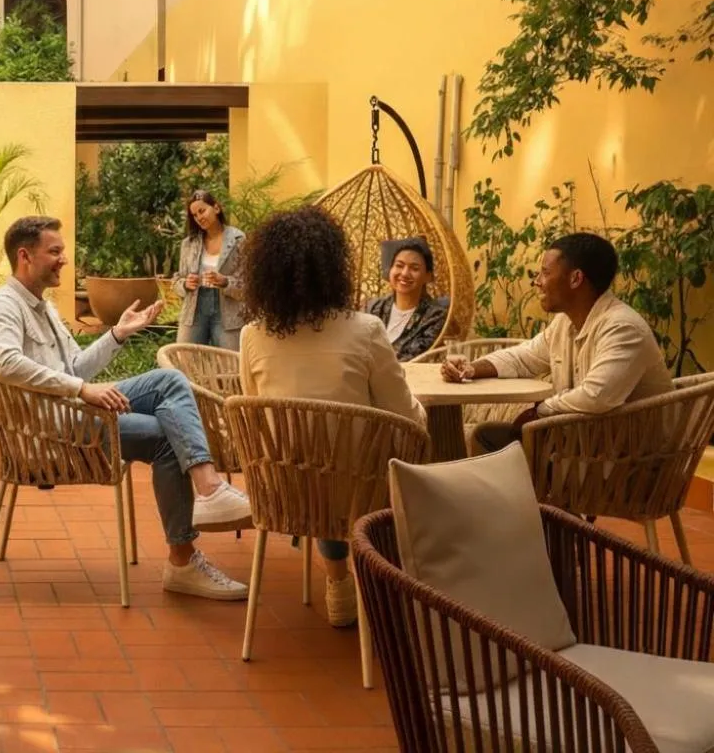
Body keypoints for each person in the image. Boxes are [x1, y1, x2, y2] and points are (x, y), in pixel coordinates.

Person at [0, 215, 253, 600]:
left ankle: (208, 490)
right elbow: (7, 365)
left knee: (169, 381)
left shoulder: (44, 308)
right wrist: (81, 389)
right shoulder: (3, 307)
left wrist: (118, 334)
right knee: (166, 439)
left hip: (74, 408)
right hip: (54, 426)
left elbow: (77, 367)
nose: (63, 260)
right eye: (54, 252)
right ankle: (183, 560)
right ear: (25, 256)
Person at [236, 207, 424, 627]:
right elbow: (404, 416)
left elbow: (255, 410)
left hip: (283, 487)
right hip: (356, 490)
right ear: (333, 269)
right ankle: (395, 581)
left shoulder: (252, 335)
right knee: (376, 456)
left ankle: (338, 580)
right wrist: (426, 417)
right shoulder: (366, 329)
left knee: (318, 455)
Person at [443, 232, 673, 453]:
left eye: (544, 273)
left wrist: (540, 412)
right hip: (583, 442)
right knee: (486, 436)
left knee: (500, 443)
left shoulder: (622, 327)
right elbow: (522, 358)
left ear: (575, 278)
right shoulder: (566, 322)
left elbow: (596, 396)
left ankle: (526, 493)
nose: (537, 282)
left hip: (627, 460)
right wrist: (472, 368)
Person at [172, 189, 247, 351]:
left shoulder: (238, 239)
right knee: (185, 361)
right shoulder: (189, 244)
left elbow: (247, 284)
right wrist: (186, 284)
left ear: (216, 208)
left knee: (231, 366)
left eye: (202, 211)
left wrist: (225, 281)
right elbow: (176, 281)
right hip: (194, 310)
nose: (199, 217)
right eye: (194, 215)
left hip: (227, 311)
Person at [364, 237, 450, 361]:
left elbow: (414, 357)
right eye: (399, 265)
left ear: (428, 276)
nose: (404, 273)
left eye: (414, 268)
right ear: (390, 270)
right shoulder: (373, 307)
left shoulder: (435, 317)